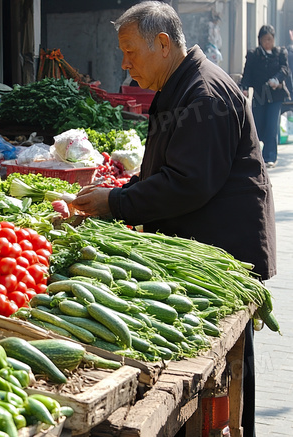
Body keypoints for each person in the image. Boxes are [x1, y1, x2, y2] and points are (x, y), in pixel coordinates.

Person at [71, 3, 276, 436]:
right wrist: (127, 192)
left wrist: (117, 202)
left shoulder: (204, 94)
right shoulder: (183, 84)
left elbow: (188, 182)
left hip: (223, 254)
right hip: (205, 245)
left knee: (229, 380)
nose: (125, 66)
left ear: (162, 44)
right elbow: (173, 169)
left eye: (130, 53)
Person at [240, 24, 290, 167]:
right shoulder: (253, 55)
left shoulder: (280, 53)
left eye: (270, 39)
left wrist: (277, 79)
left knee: (272, 126)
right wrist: (244, 87)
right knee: (257, 125)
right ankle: (258, 154)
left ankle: (270, 157)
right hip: (260, 96)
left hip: (276, 96)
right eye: (264, 39)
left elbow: (285, 69)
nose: (267, 42)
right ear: (259, 40)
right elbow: (247, 73)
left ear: (274, 39)